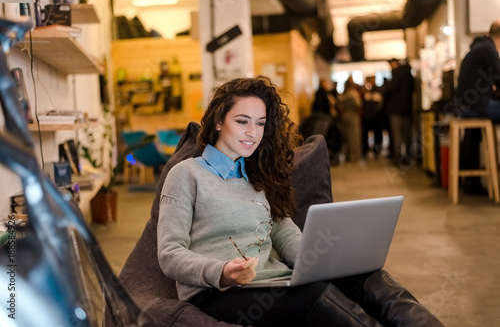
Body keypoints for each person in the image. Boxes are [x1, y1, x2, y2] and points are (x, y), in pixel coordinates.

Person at [157, 76, 444, 326]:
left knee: (369, 278)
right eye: (242, 121)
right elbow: (169, 253)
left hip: (272, 280)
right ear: (218, 121)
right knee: (316, 296)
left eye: (260, 123)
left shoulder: (258, 174)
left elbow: (283, 232)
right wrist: (220, 272)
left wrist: (321, 262)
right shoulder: (186, 174)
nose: (252, 133)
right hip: (217, 292)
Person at [453, 19, 500, 194]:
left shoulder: (478, 47)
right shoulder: (489, 49)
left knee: (473, 136)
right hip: (476, 106)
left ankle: (471, 184)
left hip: (465, 106)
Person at [383, 58, 415, 164]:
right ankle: (409, 156)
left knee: (396, 134)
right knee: (406, 134)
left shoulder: (396, 73)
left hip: (395, 109)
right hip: (407, 109)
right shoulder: (409, 74)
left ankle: (398, 157)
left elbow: (390, 88)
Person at [337, 76, 363, 162]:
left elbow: (339, 106)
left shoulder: (342, 95)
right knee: (354, 136)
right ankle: (354, 155)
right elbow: (358, 105)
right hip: (352, 115)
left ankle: (347, 155)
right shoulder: (353, 93)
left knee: (346, 136)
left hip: (344, 115)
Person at [361, 76, 384, 158]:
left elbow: (379, 105)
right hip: (367, 117)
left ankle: (377, 148)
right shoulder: (364, 91)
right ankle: (366, 149)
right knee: (365, 133)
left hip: (376, 117)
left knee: (377, 133)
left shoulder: (378, 90)